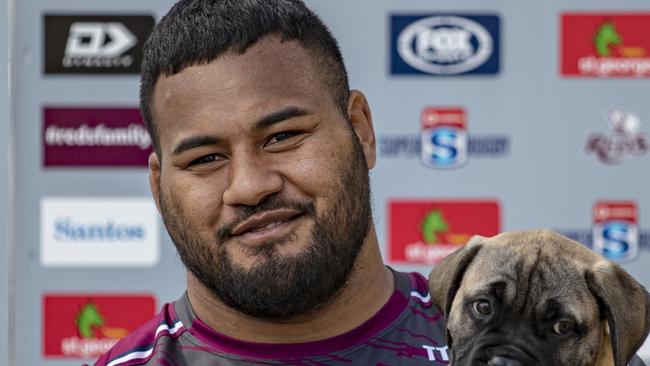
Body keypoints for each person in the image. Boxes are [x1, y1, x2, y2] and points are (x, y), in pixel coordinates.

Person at [93, 1, 646, 366]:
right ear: (159, 186)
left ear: (360, 130)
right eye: (206, 157)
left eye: (283, 136)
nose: (250, 185)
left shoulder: (484, 331)